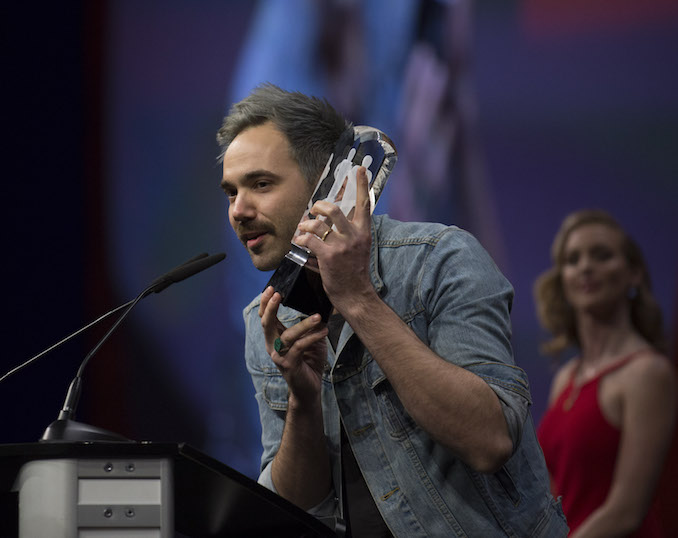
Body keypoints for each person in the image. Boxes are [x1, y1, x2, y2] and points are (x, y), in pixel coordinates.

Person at [217, 83, 567, 537]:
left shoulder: (441, 258)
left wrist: (359, 301)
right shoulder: (264, 319)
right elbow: (300, 507)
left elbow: (490, 441)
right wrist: (303, 402)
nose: (239, 211)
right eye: (230, 192)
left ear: (333, 186)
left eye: (261, 184)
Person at [535, 209, 676, 537]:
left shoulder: (649, 373)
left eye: (602, 255)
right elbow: (553, 495)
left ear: (634, 274)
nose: (585, 266)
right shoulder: (566, 378)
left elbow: (626, 512)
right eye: (573, 259)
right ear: (564, 280)